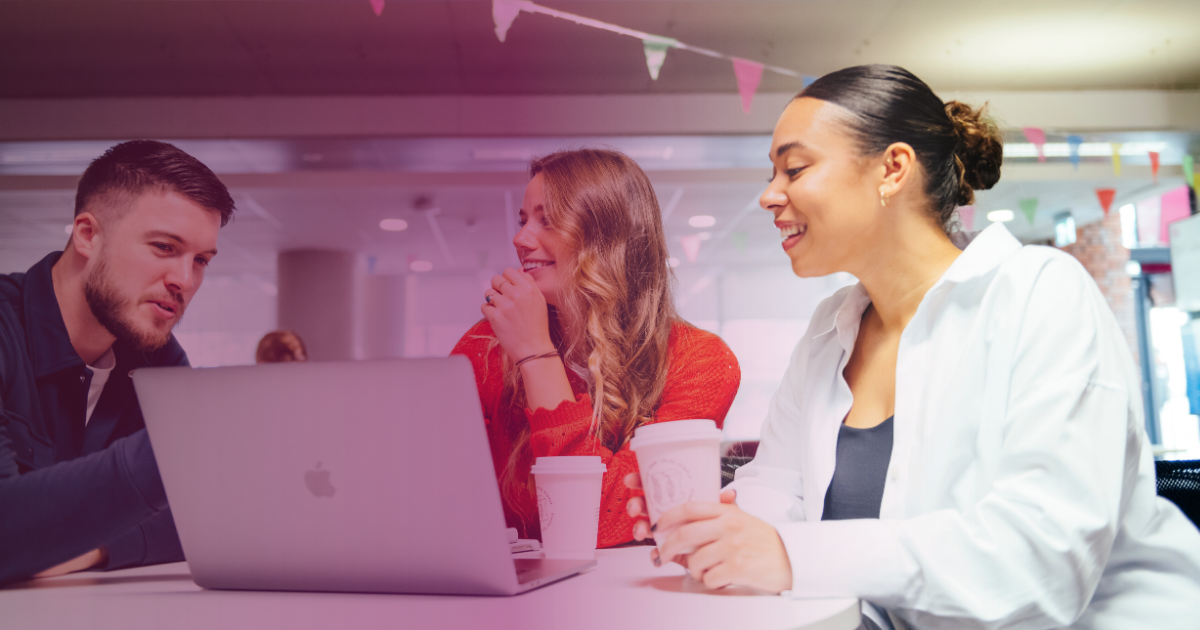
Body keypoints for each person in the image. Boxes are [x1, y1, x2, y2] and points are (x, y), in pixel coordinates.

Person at [626, 65, 1200, 629]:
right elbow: (778, 494)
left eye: (794, 168)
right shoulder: (830, 330)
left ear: (893, 169)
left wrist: (789, 554)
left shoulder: (1040, 293)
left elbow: (1043, 562)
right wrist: (704, 522)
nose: (768, 196)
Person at [451, 148, 741, 547]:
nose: (520, 238)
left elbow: (598, 520)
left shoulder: (699, 361)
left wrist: (537, 356)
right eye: (522, 221)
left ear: (607, 237)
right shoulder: (484, 348)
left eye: (546, 220)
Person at [0, 140, 234, 585]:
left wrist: (93, 548)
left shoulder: (156, 359)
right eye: (165, 247)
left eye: (201, 260)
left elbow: (225, 516)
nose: (185, 280)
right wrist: (169, 454)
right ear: (87, 235)